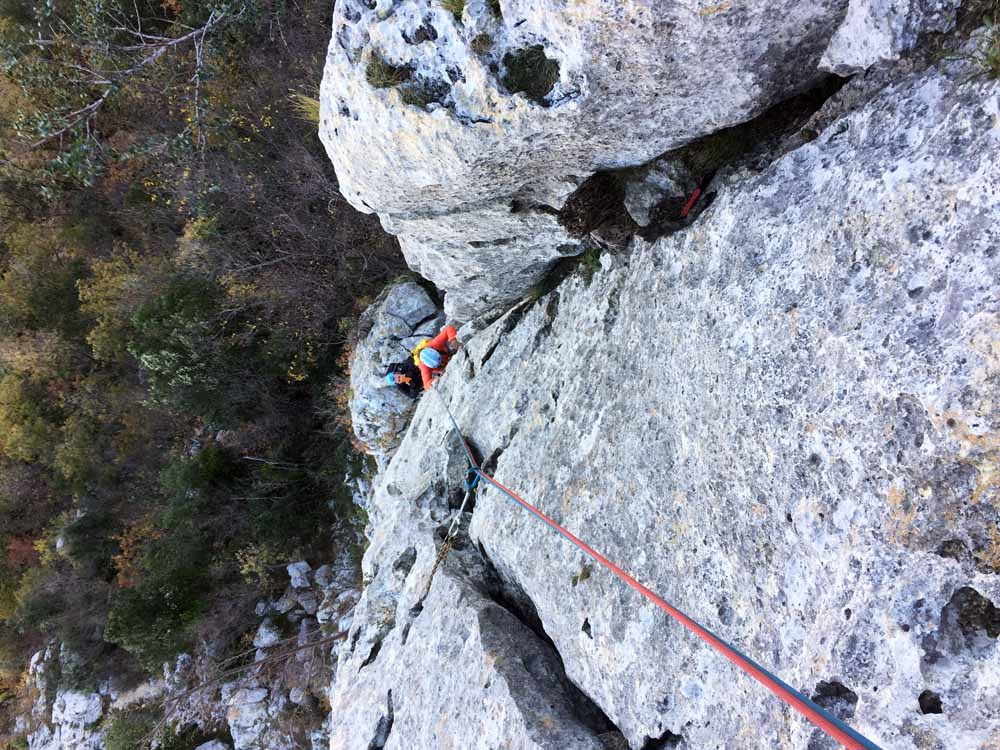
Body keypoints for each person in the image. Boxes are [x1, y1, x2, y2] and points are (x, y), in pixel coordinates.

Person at [411, 324, 461, 390]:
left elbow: (449, 329)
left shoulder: (435, 344)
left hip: (445, 355)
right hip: (442, 368)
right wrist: (435, 380)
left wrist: (453, 340)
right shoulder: (424, 367)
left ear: (435, 351)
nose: (440, 362)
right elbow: (426, 385)